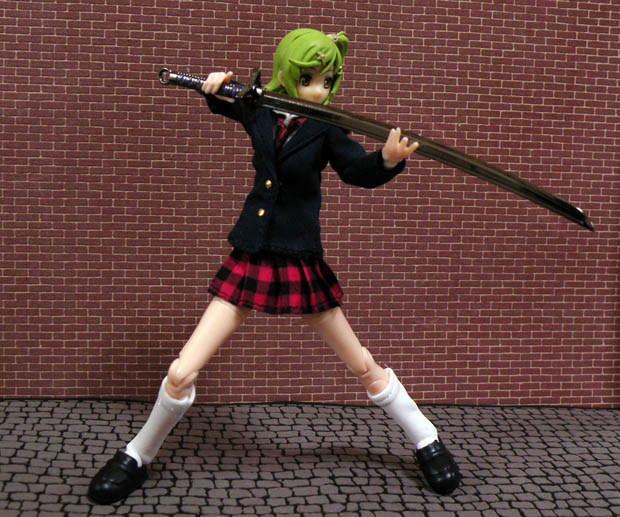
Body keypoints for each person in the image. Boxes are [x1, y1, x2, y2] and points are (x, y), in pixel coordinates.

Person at [88, 28, 460, 504]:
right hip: (253, 252)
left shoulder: (326, 129)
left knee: (361, 362)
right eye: (309, 79)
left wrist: (386, 161)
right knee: (182, 372)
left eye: (327, 81)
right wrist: (212, 88)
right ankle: (137, 454)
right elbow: (230, 103)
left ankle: (425, 437)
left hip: (299, 256)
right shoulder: (260, 108)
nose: (319, 90)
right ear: (285, 74)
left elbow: (355, 171)